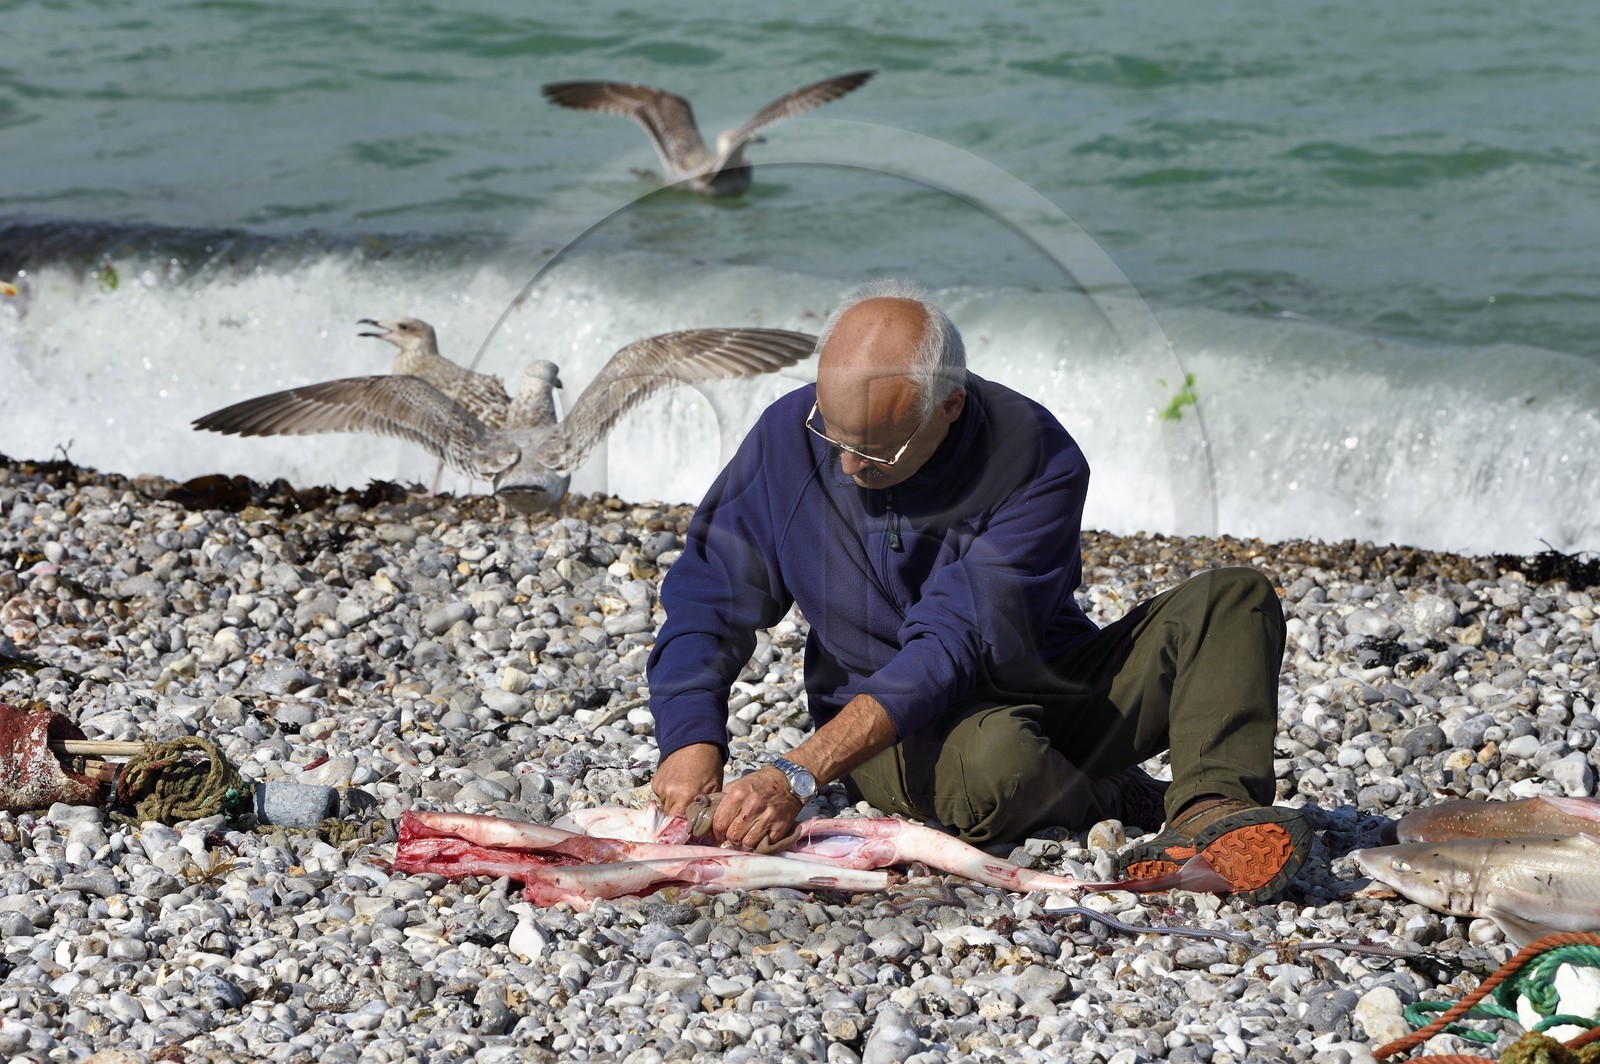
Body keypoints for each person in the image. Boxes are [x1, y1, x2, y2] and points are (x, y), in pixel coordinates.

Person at [646, 278, 1311, 904]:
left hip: (1042, 683)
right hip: (893, 731)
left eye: (875, 453)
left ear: (950, 406)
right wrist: (689, 738)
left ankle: (1208, 811)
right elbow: (710, 589)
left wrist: (798, 771)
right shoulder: (786, 440)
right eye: (833, 434)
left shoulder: (1038, 458)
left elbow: (954, 640)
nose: (846, 468)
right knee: (998, 761)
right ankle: (1115, 797)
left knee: (1233, 600)